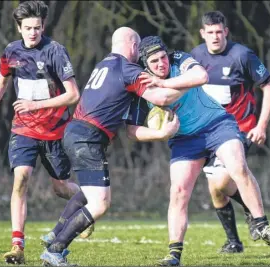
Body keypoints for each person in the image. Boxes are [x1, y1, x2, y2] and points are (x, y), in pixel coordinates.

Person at [39, 26, 206, 266]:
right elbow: (161, 98)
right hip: (89, 137)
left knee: (88, 193)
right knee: (100, 203)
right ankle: (55, 249)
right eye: (138, 48)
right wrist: (188, 85)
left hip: (74, 131)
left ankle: (55, 235)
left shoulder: (104, 64)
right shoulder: (127, 69)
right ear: (133, 46)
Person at [125, 35, 270, 266]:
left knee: (238, 167)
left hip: (216, 124)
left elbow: (201, 76)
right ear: (144, 65)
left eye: (163, 58)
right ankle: (174, 255)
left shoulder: (179, 59)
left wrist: (164, 83)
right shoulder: (138, 83)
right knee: (179, 191)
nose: (162, 64)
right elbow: (131, 131)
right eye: (155, 62)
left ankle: (262, 224)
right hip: (184, 139)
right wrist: (160, 134)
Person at [0, 1, 81, 264]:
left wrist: (36, 105)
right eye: (28, 28)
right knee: (21, 179)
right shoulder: (11, 52)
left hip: (55, 131)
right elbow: (2, 81)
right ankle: (17, 246)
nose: (33, 33)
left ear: (43, 26)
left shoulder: (56, 52)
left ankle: (87, 204)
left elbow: (73, 95)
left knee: (60, 188)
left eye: (37, 28)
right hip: (23, 129)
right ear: (19, 28)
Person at [190, 10, 270, 253]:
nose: (215, 37)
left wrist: (261, 125)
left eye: (219, 32)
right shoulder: (195, 56)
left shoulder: (242, 55)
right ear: (203, 34)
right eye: (210, 33)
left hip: (240, 128)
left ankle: (256, 216)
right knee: (216, 190)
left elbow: (269, 87)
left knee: (222, 179)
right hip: (208, 130)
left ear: (226, 32)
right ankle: (233, 242)